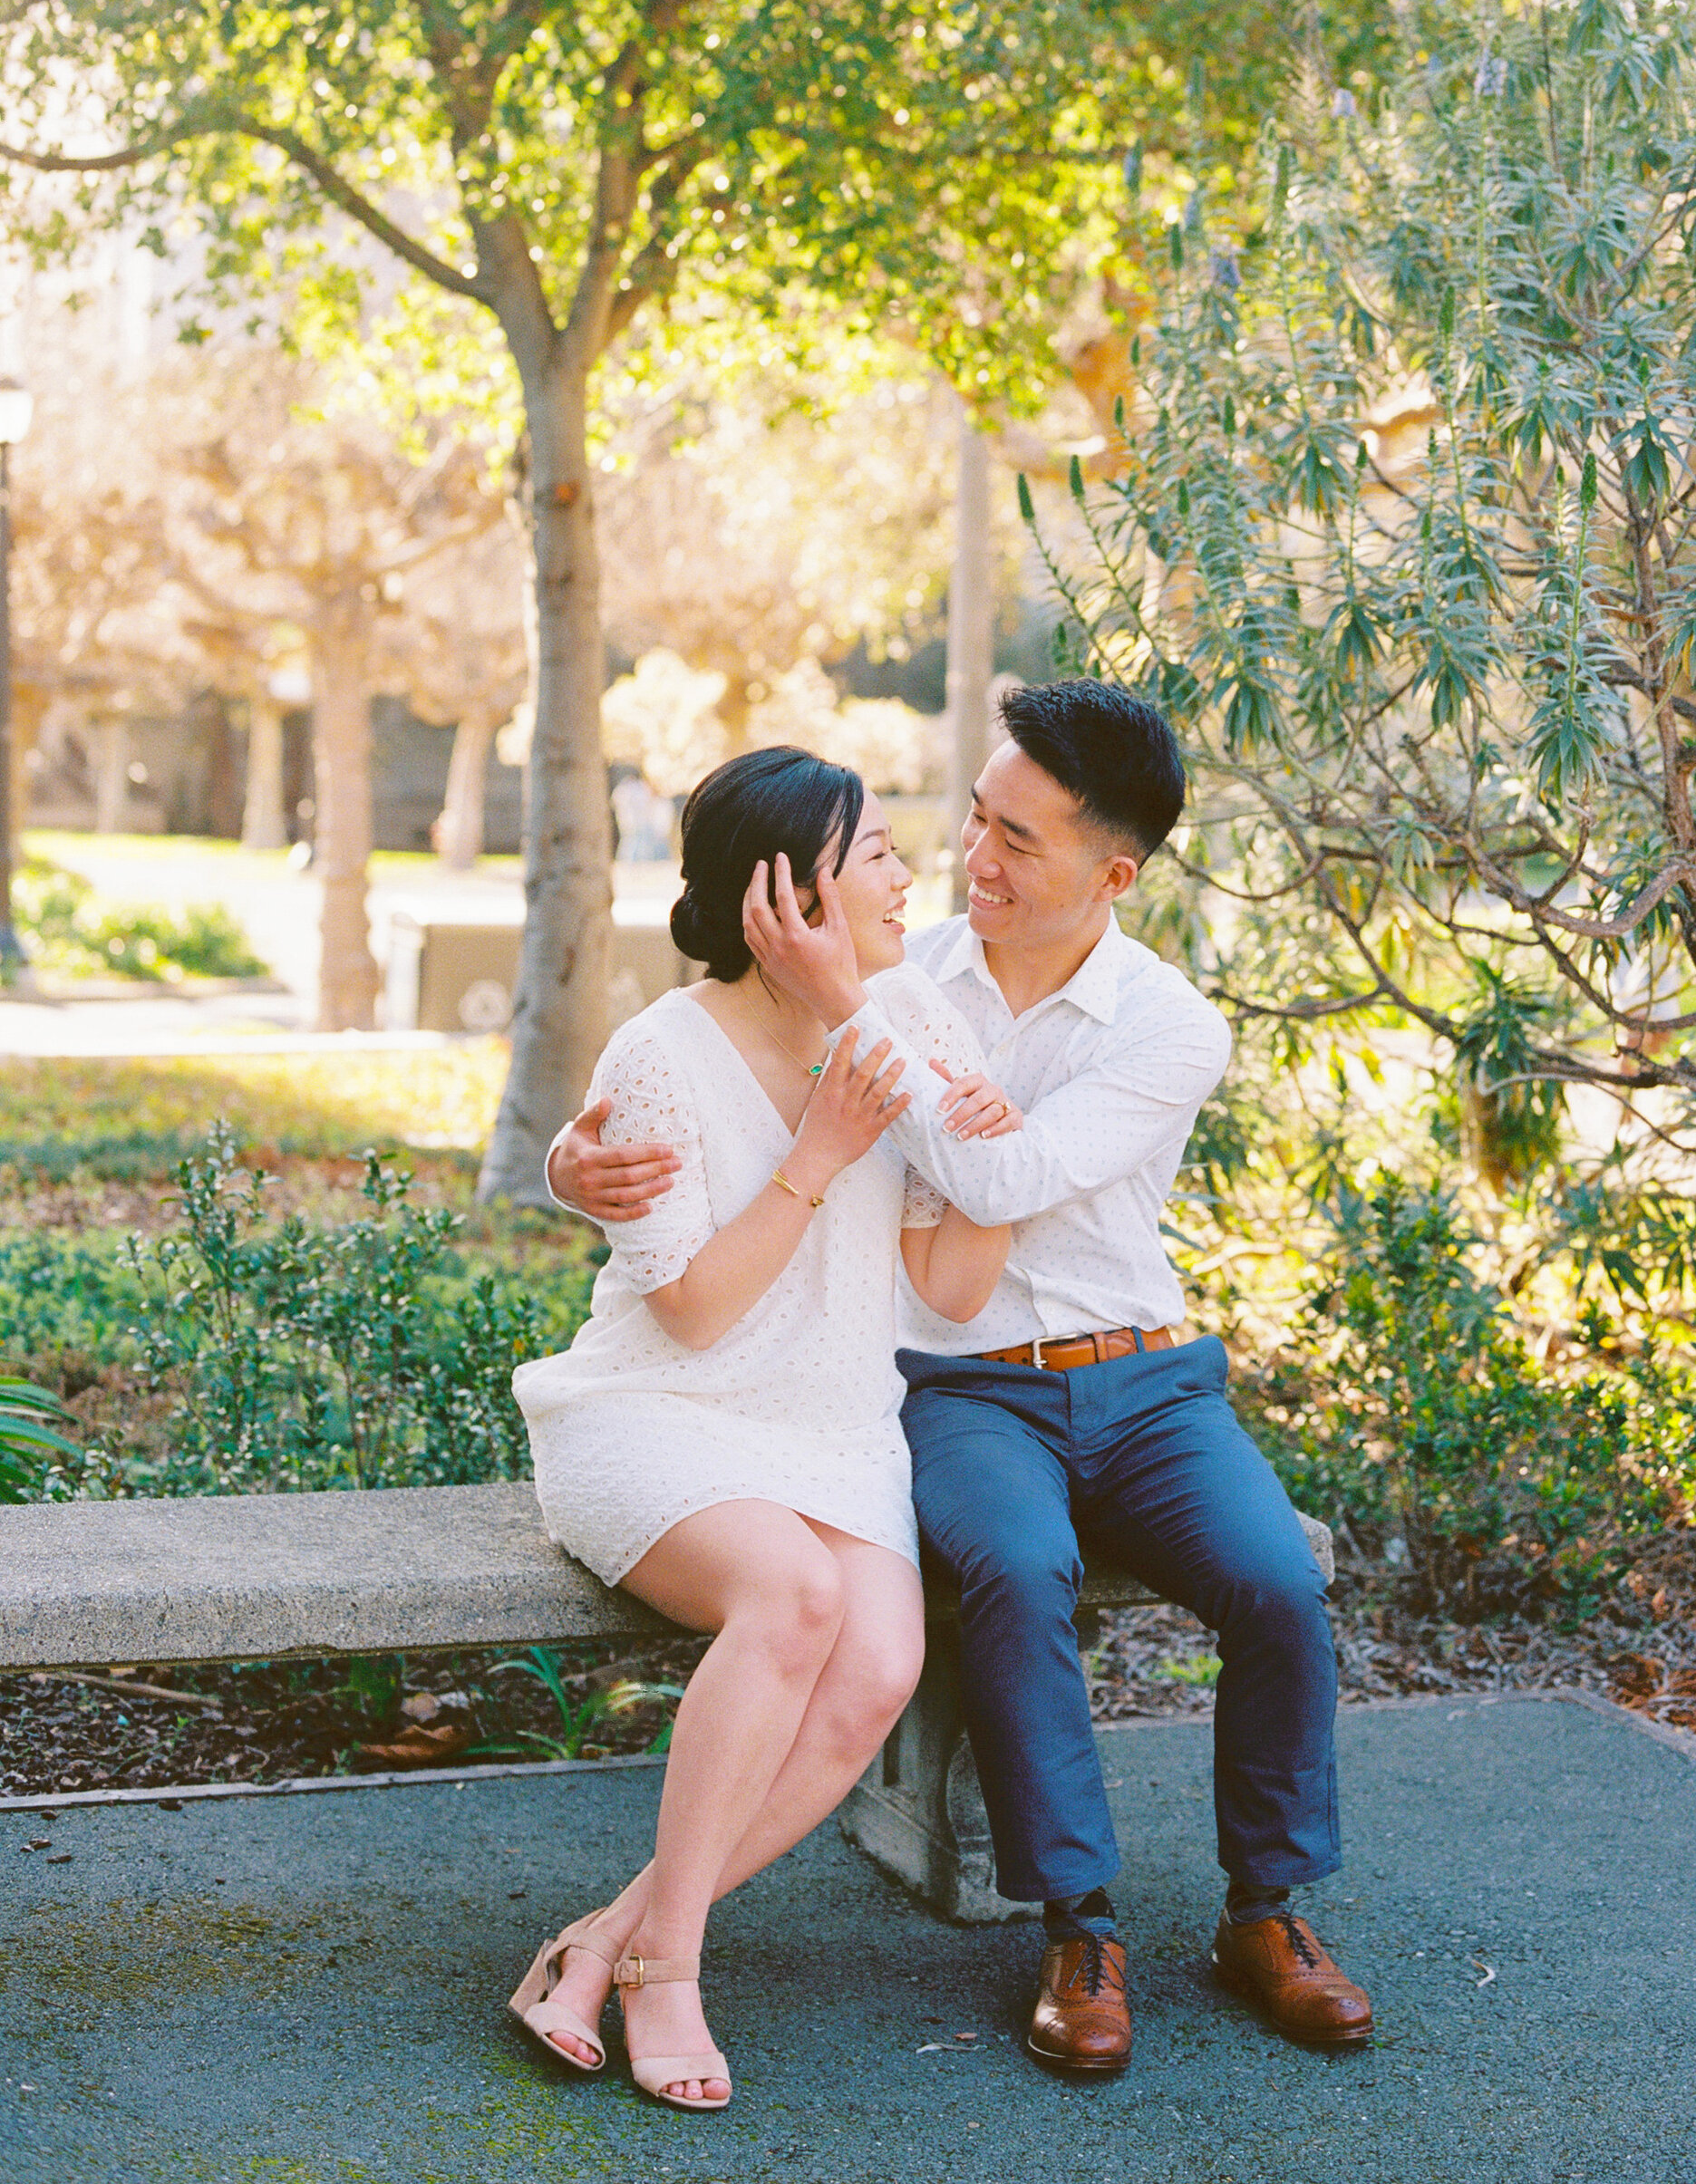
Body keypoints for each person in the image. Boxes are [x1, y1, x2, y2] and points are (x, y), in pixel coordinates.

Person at [549, 678, 1374, 2079]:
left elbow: (982, 1190)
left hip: (1143, 1378)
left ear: (1110, 873)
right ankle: (1080, 1929)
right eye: (974, 822)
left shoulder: (1164, 1025)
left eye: (1018, 843)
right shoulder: (899, 968)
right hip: (962, 1391)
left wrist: (862, 1022)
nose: (970, 862)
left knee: (1282, 1583)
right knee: (1008, 1569)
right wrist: (588, 1173)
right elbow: (740, 1094)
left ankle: (1268, 1915)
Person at [507, 746, 1015, 2110]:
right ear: (784, 897)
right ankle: (671, 1971)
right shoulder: (659, 1053)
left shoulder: (911, 1018)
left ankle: (610, 1935)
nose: (911, 878)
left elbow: (952, 1283)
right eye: (877, 857)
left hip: (834, 1430)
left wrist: (990, 1169)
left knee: (877, 1665)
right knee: (794, 1602)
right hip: (654, 1414)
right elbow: (691, 1319)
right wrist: (819, 1157)